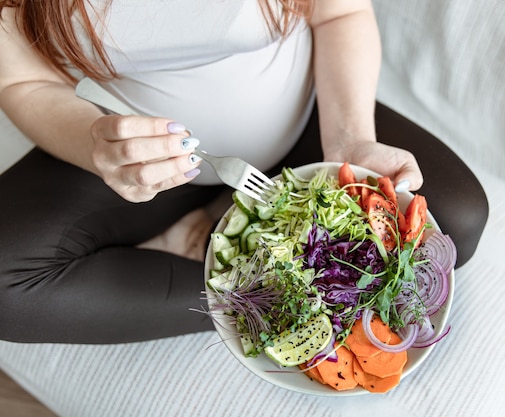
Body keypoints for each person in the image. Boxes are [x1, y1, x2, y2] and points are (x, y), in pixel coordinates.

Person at [0, 0, 423, 343]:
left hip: (315, 122)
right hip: (152, 166)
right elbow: (21, 81)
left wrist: (349, 143)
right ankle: (272, 302)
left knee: (458, 219)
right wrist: (96, 146)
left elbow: (340, 11)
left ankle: (264, 284)